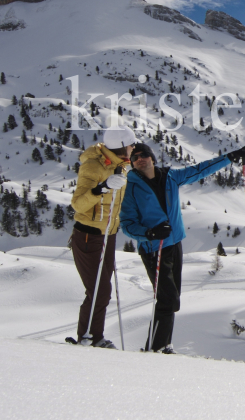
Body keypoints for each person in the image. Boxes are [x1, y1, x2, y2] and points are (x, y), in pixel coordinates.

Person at [120, 142, 245, 353]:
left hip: (174, 244)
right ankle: (157, 347)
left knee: (172, 298)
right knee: (167, 299)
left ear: (152, 157)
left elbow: (200, 169)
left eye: (144, 154)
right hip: (154, 248)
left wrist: (230, 157)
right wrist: (149, 233)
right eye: (135, 158)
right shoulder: (131, 187)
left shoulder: (171, 177)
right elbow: (126, 224)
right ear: (132, 164)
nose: (140, 159)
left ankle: (161, 345)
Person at [69, 125, 137, 348]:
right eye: (130, 144)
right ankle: (89, 337)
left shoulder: (120, 166)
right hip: (89, 236)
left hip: (108, 234)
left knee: (102, 289)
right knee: (99, 290)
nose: (133, 147)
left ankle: (93, 336)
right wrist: (102, 188)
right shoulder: (93, 166)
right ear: (120, 148)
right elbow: (78, 204)